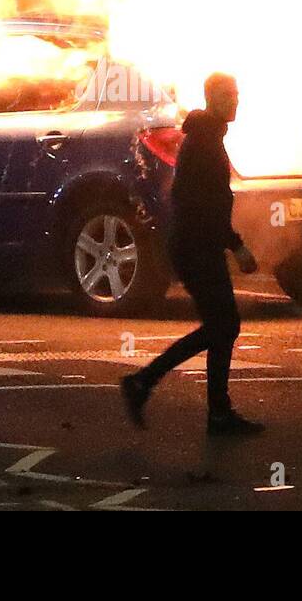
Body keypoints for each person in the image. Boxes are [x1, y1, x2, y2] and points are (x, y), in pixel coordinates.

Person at [120, 72, 264, 436]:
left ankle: (208, 409)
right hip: (195, 247)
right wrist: (236, 245)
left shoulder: (208, 137)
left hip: (199, 245)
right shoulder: (203, 141)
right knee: (223, 325)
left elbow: (207, 203)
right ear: (211, 98)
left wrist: (228, 243)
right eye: (227, 95)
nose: (235, 101)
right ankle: (147, 383)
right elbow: (201, 204)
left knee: (222, 327)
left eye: (236, 93)